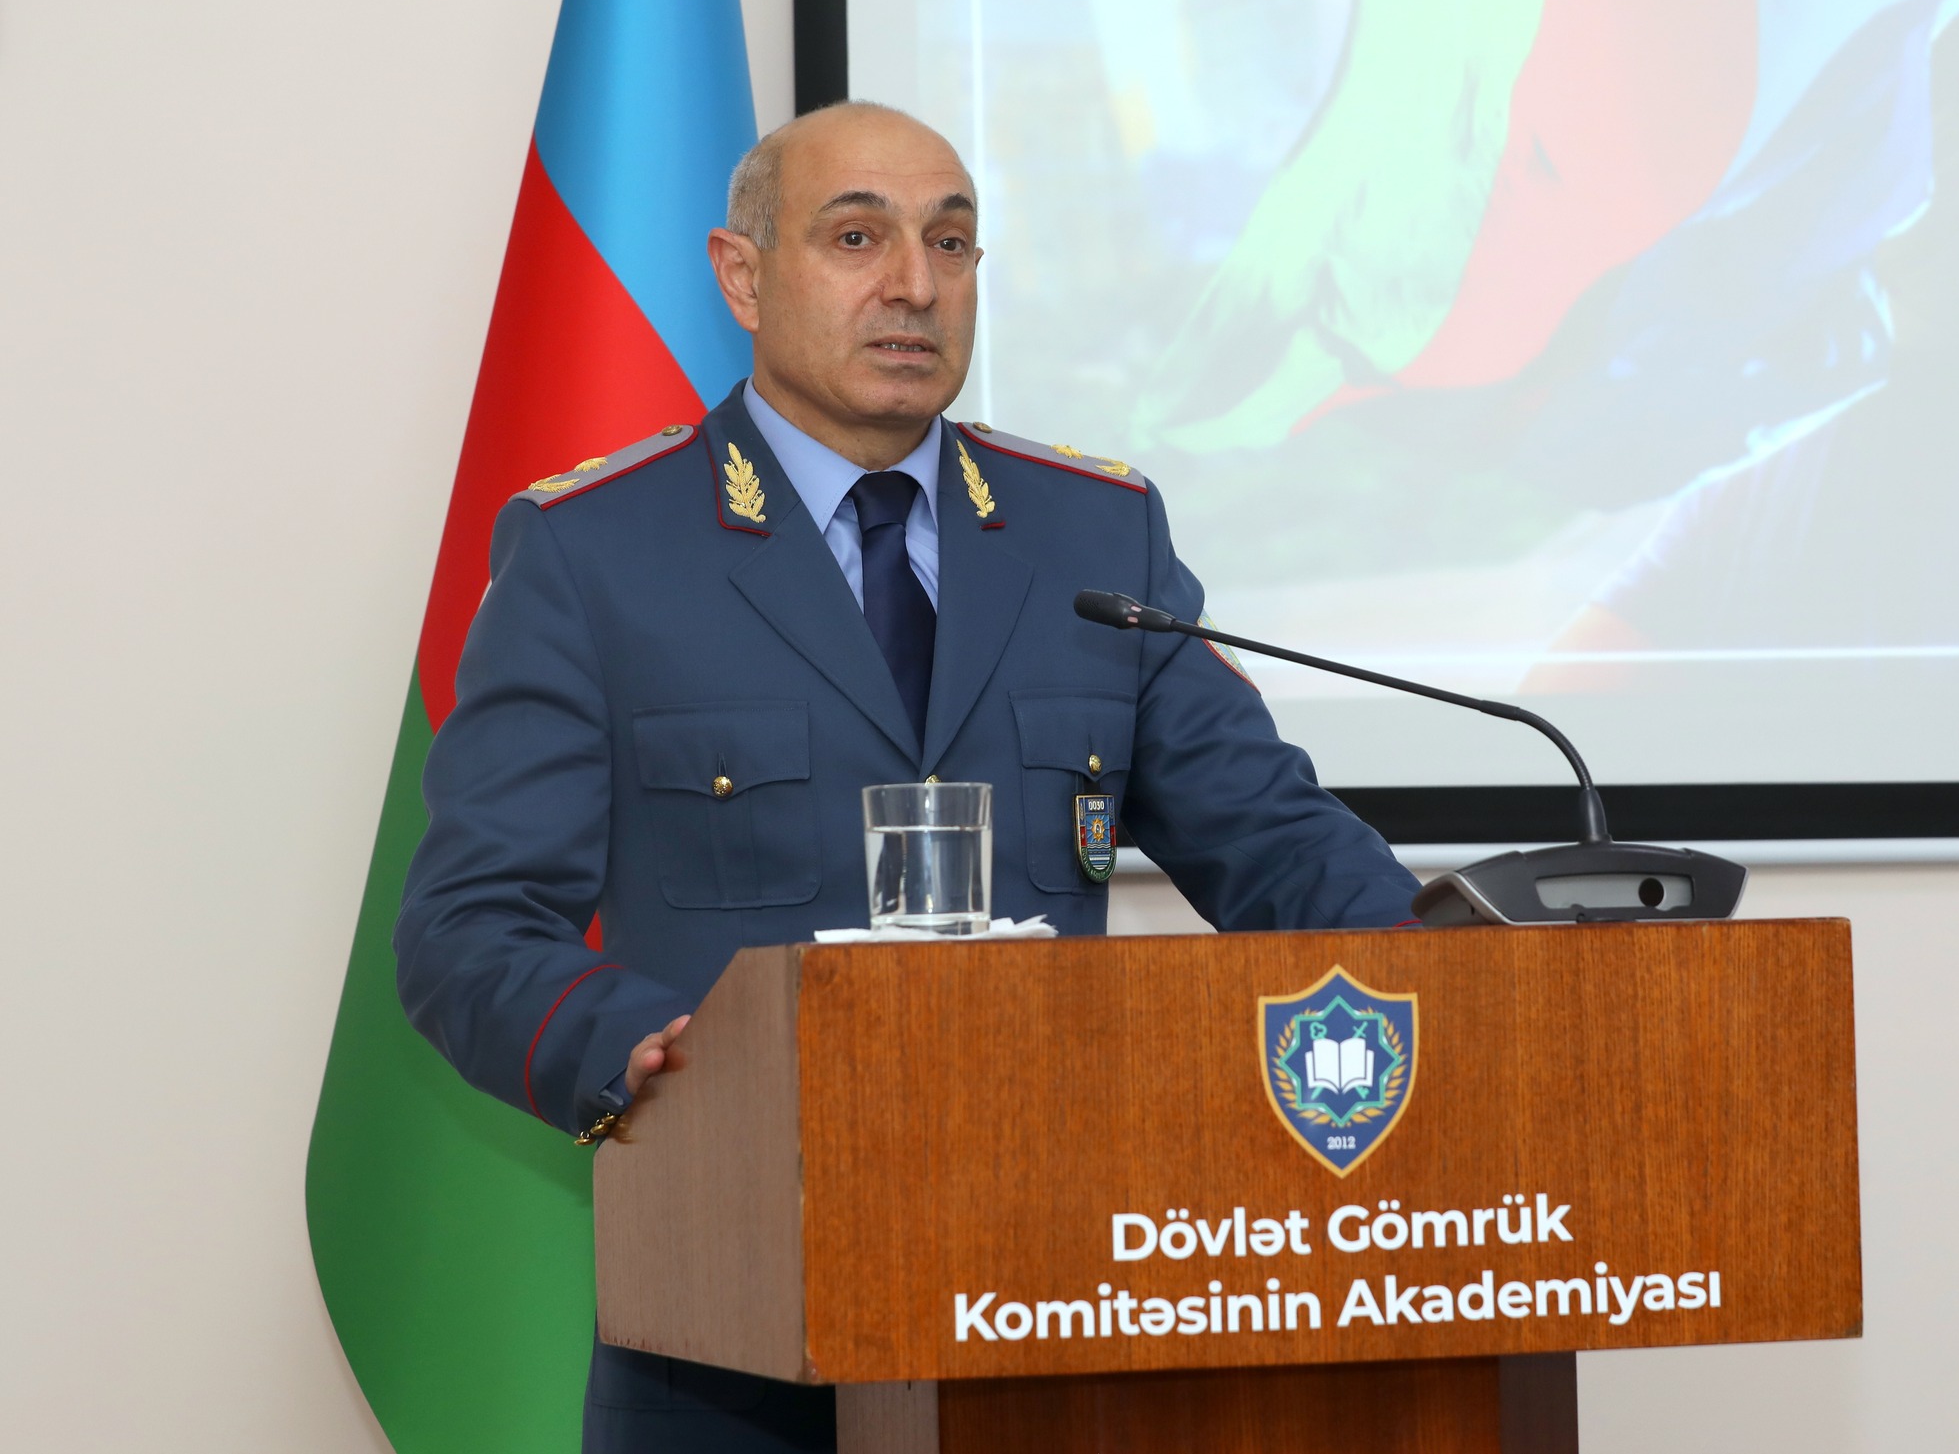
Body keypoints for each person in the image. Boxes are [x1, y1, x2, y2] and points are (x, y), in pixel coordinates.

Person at [396, 101, 1418, 1454]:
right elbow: (467, 927)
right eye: (856, 238)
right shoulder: (597, 553)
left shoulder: (1092, 536)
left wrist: (1465, 971)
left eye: (950, 241)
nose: (915, 286)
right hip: (734, 1333)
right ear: (742, 276)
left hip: (1054, 1311)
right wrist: (669, 1059)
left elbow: (1278, 844)